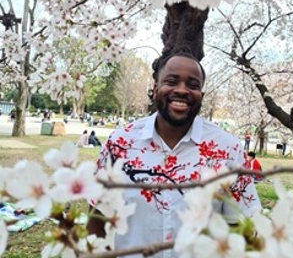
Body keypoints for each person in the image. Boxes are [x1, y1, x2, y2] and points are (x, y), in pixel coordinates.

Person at [87, 52, 262, 257]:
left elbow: (243, 226)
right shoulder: (119, 144)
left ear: (201, 96)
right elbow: (97, 217)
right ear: (155, 89)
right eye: (171, 81)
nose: (181, 90)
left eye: (193, 85)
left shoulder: (227, 150)